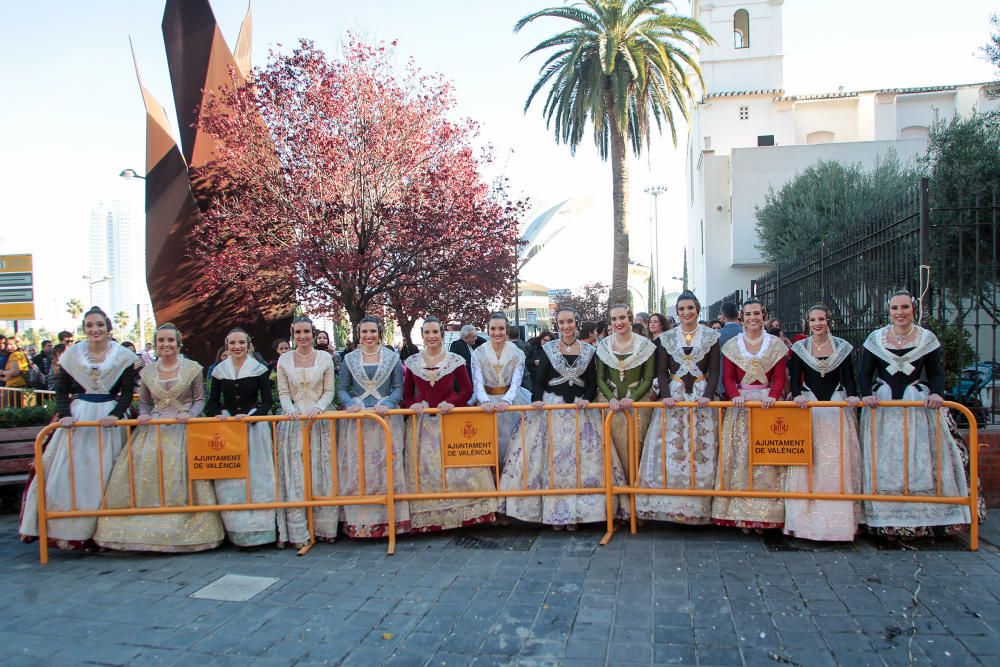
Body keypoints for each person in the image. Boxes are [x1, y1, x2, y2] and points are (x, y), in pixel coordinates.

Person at [94, 324, 224, 552]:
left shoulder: (193, 369)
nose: (166, 345)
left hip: (184, 429)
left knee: (180, 472)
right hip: (153, 429)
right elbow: (143, 401)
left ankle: (187, 527)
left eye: (170, 340)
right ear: (156, 344)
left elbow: (199, 399)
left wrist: (190, 414)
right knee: (144, 467)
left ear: (178, 343)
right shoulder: (147, 372)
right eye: (161, 340)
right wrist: (143, 415)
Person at [19, 307, 138, 549]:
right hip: (79, 418)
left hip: (110, 419)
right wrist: (64, 414)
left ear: (108, 328)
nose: (95, 329)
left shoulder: (123, 356)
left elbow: (127, 392)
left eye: (99, 325)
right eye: (90, 325)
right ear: (84, 328)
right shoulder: (72, 355)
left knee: (108, 472)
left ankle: (106, 531)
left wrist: (115, 414)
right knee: (71, 473)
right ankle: (69, 530)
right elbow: (61, 390)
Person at [502, 306, 626, 529]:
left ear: (576, 323)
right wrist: (537, 399)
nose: (566, 326)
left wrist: (587, 398)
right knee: (551, 461)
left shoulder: (589, 350)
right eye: (562, 323)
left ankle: (578, 513)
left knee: (580, 462)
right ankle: (553, 514)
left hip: (580, 412)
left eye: (570, 322)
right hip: (552, 410)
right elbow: (539, 380)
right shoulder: (548, 349)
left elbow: (591, 382)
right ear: (556, 325)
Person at [858, 291, 971, 537]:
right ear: (889, 311)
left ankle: (927, 518)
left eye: (904, 307)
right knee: (883, 456)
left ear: (913, 309)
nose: (899, 312)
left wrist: (936, 393)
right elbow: (865, 372)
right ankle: (883, 518)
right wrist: (866, 393)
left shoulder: (926, 339)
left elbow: (936, 372)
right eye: (895, 308)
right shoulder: (876, 339)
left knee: (920, 454)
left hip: (916, 405)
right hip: (883, 406)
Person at [402, 316, 496, 531]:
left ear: (442, 334)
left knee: (456, 468)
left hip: (450, 421)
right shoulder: (413, 362)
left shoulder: (455, 360)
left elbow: (466, 389)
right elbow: (407, 395)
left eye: (435, 332)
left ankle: (463, 513)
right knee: (426, 470)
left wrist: (451, 402)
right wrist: (415, 404)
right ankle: (430, 517)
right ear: (422, 336)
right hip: (423, 426)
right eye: (427, 332)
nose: (431, 336)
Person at [637, 291, 721, 525]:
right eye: (682, 309)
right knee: (669, 446)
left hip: (700, 399)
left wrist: (707, 395)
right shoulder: (667, 338)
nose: (686, 312)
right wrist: (665, 396)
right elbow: (661, 371)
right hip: (673, 397)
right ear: (677, 312)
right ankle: (667, 507)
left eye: (690, 308)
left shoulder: (712, 336)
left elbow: (714, 370)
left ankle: (699, 507)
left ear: (697, 309)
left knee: (700, 448)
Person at [784, 304, 862, 541]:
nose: (817, 323)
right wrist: (797, 394)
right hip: (809, 406)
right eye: (813, 320)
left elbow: (849, 377)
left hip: (835, 407)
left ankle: (837, 523)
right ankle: (804, 522)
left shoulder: (842, 348)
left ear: (829, 321)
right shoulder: (800, 348)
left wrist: (851, 395)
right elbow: (795, 378)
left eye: (821, 319)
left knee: (836, 461)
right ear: (807, 323)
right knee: (808, 462)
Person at [712, 298, 788, 530]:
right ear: (742, 317)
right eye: (748, 314)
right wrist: (735, 395)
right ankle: (739, 512)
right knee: (740, 459)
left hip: (767, 405)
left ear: (763, 315)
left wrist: (773, 395)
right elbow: (727, 377)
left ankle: (769, 513)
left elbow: (780, 376)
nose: (753, 318)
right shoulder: (733, 345)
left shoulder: (775, 344)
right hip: (741, 407)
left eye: (757, 313)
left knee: (767, 460)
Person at [204, 328, 278, 547]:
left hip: (254, 428)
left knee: (259, 477)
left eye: (241, 343)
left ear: (248, 345)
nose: (237, 347)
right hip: (229, 430)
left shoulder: (259, 368)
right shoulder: (220, 370)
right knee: (231, 482)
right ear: (227, 345)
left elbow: (267, 401)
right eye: (232, 343)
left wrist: (251, 417)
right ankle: (235, 530)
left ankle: (261, 529)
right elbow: (213, 402)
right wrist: (221, 416)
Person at [338, 316, 411, 537]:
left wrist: (388, 402)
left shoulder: (392, 358)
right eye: (364, 332)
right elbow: (341, 388)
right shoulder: (349, 359)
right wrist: (350, 403)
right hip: (358, 420)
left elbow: (399, 387)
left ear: (380, 333)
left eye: (373, 331)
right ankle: (360, 521)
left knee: (388, 465)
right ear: (359, 335)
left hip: (386, 419)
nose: (369, 336)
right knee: (359, 468)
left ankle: (390, 520)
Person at [275, 316, 339, 547]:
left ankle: (325, 527)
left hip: (320, 419)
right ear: (293, 334)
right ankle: (297, 529)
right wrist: (290, 410)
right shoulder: (284, 359)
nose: (302, 336)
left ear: (313, 333)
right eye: (298, 332)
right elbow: (283, 392)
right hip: (293, 420)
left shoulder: (325, 358)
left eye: (306, 332)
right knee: (296, 472)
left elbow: (330, 390)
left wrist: (318, 408)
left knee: (322, 468)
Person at [596, 303, 656, 480]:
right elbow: (600, 378)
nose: (618, 322)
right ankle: (615, 490)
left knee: (636, 444)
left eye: (622, 317)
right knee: (610, 446)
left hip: (637, 403)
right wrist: (610, 398)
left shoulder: (645, 345)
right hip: (610, 402)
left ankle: (635, 487)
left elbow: (648, 378)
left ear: (630, 318)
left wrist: (634, 397)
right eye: (614, 319)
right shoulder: (604, 346)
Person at [471, 312, 531, 462]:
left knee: (512, 446)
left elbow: (516, 382)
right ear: (488, 330)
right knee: (487, 444)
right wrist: (484, 401)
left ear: (507, 330)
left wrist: (506, 401)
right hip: (485, 402)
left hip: (511, 402)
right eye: (493, 329)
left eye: (501, 329)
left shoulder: (517, 353)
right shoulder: (478, 352)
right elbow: (477, 382)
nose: (497, 333)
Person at [715, 301, 742, 396]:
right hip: (744, 382)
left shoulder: (717, 335)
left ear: (723, 316)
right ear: (738, 314)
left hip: (723, 383)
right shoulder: (746, 333)